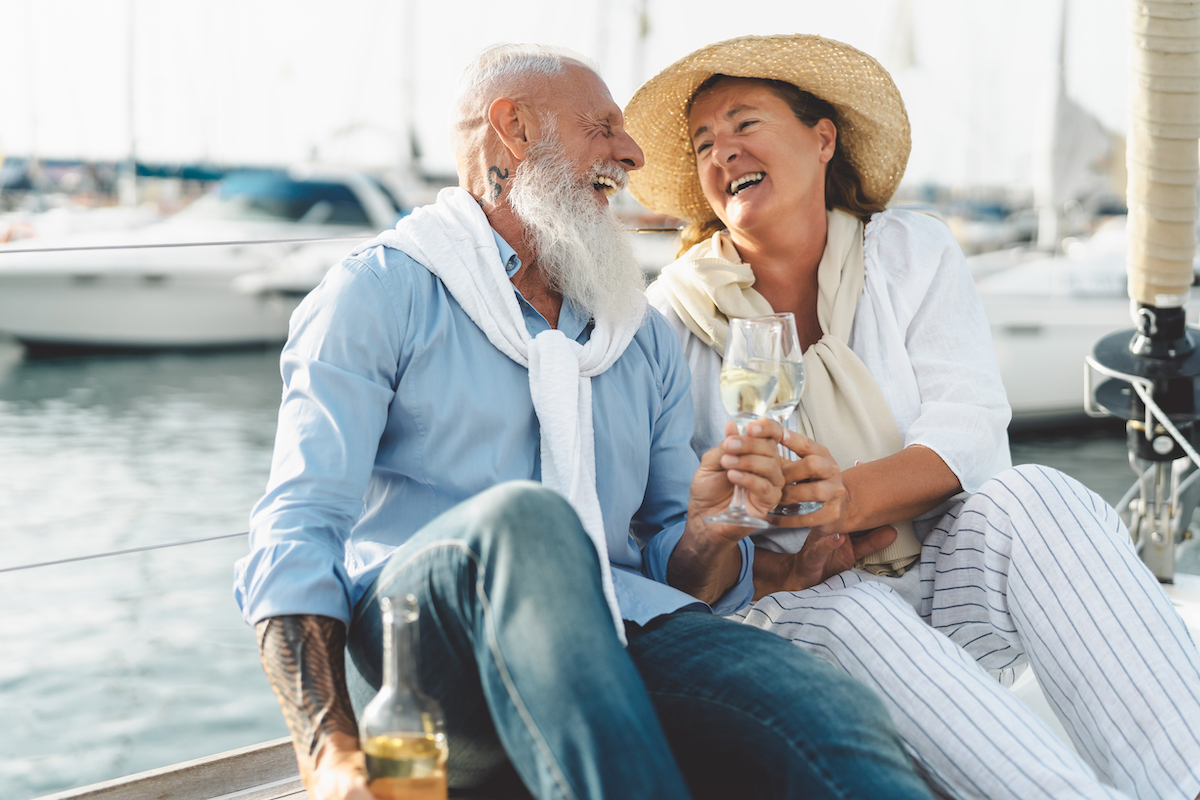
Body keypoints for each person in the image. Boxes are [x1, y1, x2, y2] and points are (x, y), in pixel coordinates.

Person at [234, 43, 936, 800]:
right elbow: (298, 528)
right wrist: (329, 750)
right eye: (602, 127)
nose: (631, 153)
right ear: (516, 129)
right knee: (529, 522)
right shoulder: (379, 291)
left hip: (620, 620)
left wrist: (705, 531)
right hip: (429, 642)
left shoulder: (637, 333)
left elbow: (680, 565)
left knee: (826, 708)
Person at [625, 33, 1200, 800]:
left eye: (743, 124)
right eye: (703, 143)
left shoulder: (909, 252)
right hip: (792, 605)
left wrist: (846, 497)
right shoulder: (668, 320)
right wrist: (753, 533)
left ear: (822, 138)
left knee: (1041, 495)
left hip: (935, 575)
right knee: (842, 605)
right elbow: (671, 556)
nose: (722, 151)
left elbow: (968, 428)